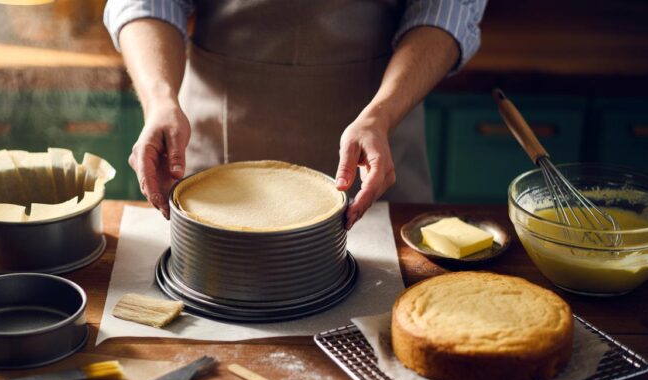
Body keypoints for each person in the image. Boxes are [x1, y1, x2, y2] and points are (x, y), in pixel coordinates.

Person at [105, 0, 486, 228]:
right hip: (213, 143)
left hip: (379, 130)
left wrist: (382, 114)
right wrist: (159, 100)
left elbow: (446, 8)